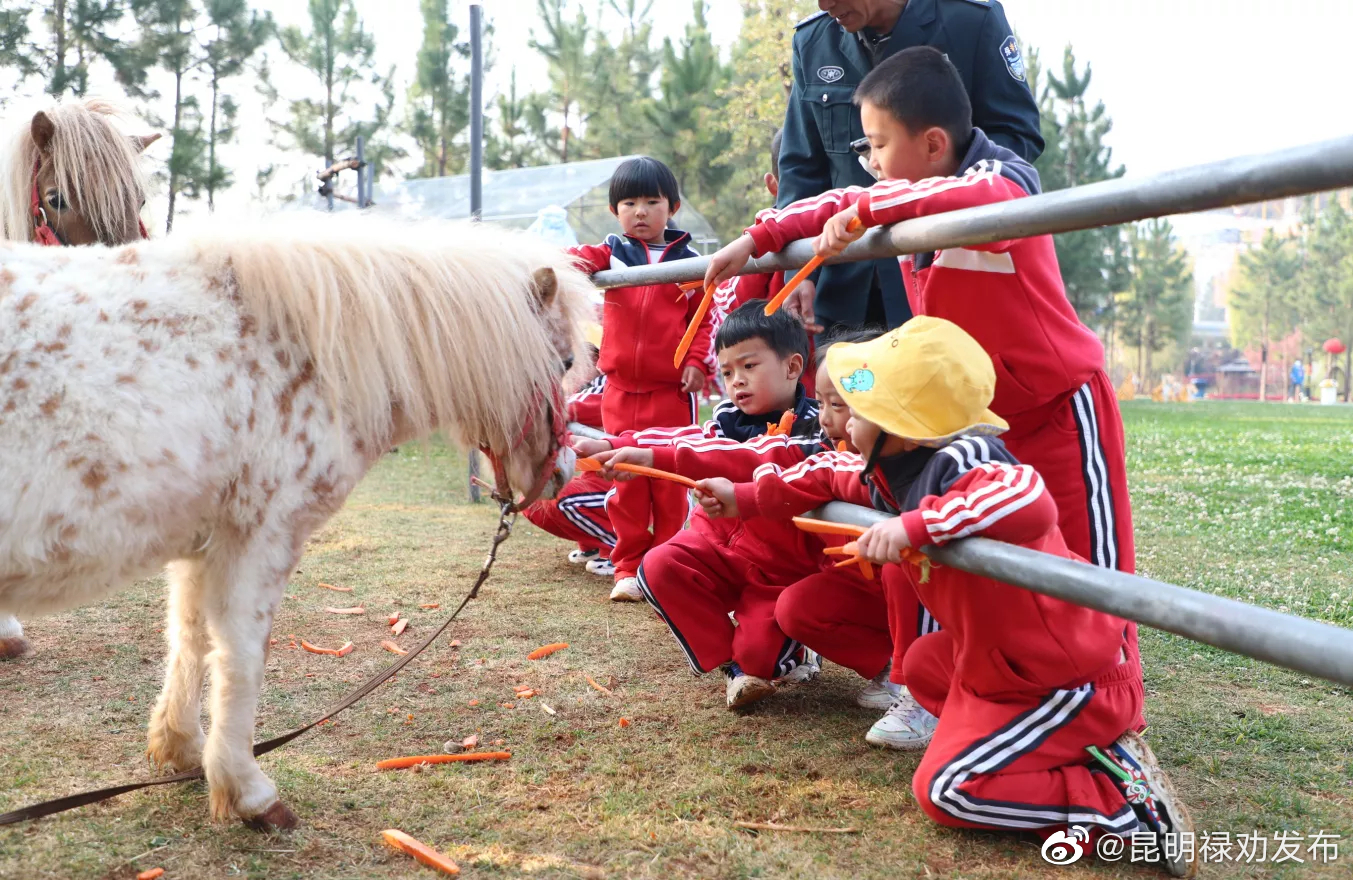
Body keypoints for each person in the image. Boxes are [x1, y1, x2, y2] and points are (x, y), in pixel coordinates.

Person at [699, 319, 1196, 878]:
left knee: (949, 791)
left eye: (858, 412)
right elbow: (828, 473)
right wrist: (742, 496)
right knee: (929, 666)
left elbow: (1027, 493)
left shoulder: (970, 459)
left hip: (1070, 676)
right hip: (1003, 666)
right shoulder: (890, 467)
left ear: (902, 428)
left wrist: (917, 526)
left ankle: (1121, 806)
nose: (843, 423)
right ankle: (1071, 753)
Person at [706, 47, 1137, 588]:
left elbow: (985, 200)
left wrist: (868, 211)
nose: (874, 166)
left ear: (933, 144)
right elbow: (839, 197)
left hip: (1055, 409)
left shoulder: (1002, 178)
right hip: (976, 422)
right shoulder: (909, 199)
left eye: (880, 146)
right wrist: (757, 238)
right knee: (1000, 570)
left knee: (1089, 567)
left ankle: (1112, 673)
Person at [586, 303, 827, 708]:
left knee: (761, 657)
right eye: (728, 372)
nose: (737, 382)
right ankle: (731, 665)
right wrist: (621, 446)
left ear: (792, 367)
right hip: (721, 549)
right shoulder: (727, 416)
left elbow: (757, 456)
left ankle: (783, 651)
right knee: (659, 565)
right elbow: (696, 438)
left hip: (782, 571)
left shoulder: (813, 427)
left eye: (749, 366)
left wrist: (651, 456)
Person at [778, 0, 1043, 334]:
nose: (825, 4)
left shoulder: (971, 20)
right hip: (842, 290)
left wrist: (926, 194)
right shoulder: (814, 40)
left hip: (939, 272)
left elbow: (1016, 135)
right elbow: (801, 169)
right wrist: (799, 273)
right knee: (844, 385)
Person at [566, 157, 715, 601]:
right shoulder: (612, 252)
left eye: (652, 201)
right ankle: (627, 568)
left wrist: (697, 362)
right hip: (619, 391)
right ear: (615, 211)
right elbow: (576, 260)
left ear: (673, 207)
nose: (641, 211)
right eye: (629, 202)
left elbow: (703, 321)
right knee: (625, 479)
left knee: (669, 483)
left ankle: (665, 564)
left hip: (670, 394)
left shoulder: (691, 262)